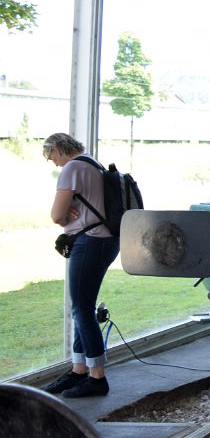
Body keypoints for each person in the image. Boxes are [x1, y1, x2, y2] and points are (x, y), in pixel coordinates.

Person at [40, 133, 119, 398]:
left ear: (58, 149)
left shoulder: (72, 168)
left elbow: (56, 215)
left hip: (90, 242)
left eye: (50, 156)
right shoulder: (92, 164)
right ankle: (78, 370)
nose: (53, 164)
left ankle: (97, 378)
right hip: (106, 241)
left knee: (82, 309)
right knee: (80, 308)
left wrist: (65, 214)